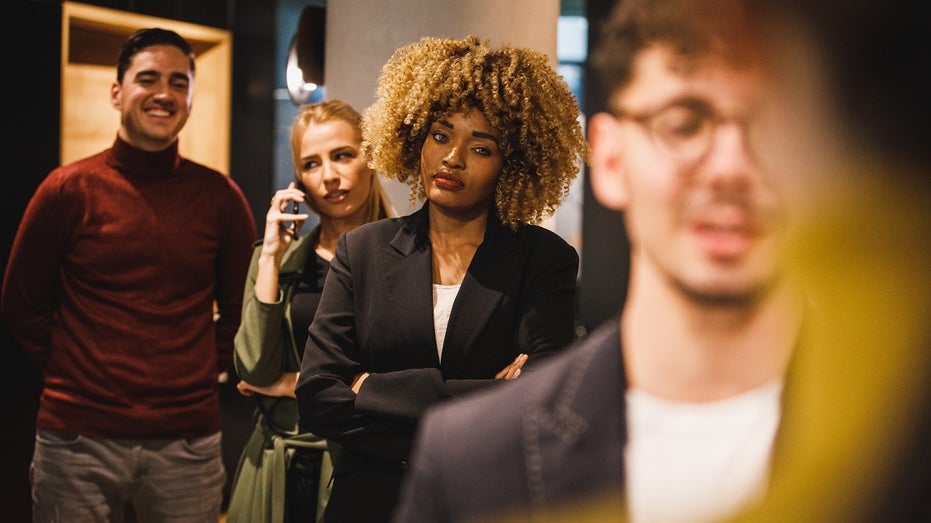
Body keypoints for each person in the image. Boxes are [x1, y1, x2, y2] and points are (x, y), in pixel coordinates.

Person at [392, 2, 810, 522]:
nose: (731, 168)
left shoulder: (897, 437)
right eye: (683, 124)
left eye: (771, 127)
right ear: (610, 158)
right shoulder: (473, 458)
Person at [294, 34, 588, 522]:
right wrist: (486, 395)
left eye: (481, 147)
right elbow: (317, 396)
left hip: (486, 502)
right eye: (440, 135)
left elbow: (539, 401)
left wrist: (370, 389)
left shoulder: (543, 258)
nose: (452, 158)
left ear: (511, 165)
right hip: (369, 502)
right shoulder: (363, 251)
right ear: (416, 139)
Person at [0, 27, 256, 521]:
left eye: (179, 83)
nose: (164, 94)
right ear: (116, 92)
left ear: (191, 99)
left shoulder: (220, 197)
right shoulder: (66, 189)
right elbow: (21, 302)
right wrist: (75, 370)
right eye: (148, 79)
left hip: (187, 441)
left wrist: (198, 371)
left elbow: (241, 309)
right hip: (76, 439)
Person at [225, 100, 394, 523]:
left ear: (370, 157)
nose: (329, 177)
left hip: (365, 465)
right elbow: (253, 369)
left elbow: (408, 381)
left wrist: (288, 385)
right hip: (273, 467)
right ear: (299, 178)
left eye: (342, 155)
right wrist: (270, 257)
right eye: (312, 164)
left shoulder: (409, 254)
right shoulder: (278, 258)